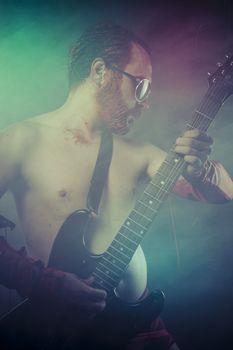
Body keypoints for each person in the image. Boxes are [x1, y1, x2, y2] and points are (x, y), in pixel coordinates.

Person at [0, 22, 232, 350]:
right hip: (61, 328)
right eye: (141, 87)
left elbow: (225, 193)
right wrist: (44, 283)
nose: (146, 103)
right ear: (100, 72)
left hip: (140, 325)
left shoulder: (140, 154)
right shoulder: (21, 140)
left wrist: (202, 169)